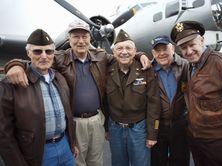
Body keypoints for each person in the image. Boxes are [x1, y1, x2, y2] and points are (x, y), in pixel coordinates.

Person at [4, 20, 150, 166]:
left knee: (96, 161)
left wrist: (140, 55)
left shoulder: (101, 56)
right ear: (69, 39)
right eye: (76, 37)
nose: (81, 41)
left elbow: (123, 56)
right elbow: (37, 61)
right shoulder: (59, 58)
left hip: (96, 119)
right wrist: (15, 65)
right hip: (75, 122)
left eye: (84, 36)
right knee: (78, 162)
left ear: (90, 39)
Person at [170, 20, 222, 166]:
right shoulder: (190, 66)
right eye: (183, 47)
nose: (188, 51)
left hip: (218, 141)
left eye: (192, 45)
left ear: (202, 40)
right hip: (196, 139)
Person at [0, 29, 78, 166]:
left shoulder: (59, 78)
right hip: (37, 152)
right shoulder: (10, 84)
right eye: (37, 51)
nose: (44, 56)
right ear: (28, 53)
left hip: (65, 145)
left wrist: (72, 143)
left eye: (49, 51)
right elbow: (4, 133)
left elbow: (69, 116)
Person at [105, 29, 160, 166]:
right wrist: (106, 128)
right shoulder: (106, 70)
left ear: (135, 51)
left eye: (128, 48)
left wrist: (152, 134)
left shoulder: (146, 70)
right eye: (119, 48)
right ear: (114, 52)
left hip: (139, 129)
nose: (124, 52)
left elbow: (154, 103)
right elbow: (104, 102)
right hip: (115, 128)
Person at [150, 35, 190, 166]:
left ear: (172, 48)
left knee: (180, 160)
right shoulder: (148, 69)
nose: (161, 53)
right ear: (153, 53)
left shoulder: (185, 65)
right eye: (157, 50)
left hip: (180, 124)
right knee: (157, 161)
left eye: (164, 49)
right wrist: (140, 55)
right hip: (158, 125)